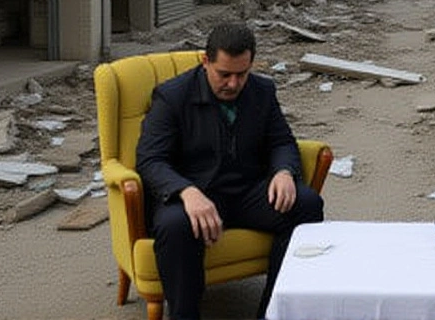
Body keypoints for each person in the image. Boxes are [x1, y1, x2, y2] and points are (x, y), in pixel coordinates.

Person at [135, 22, 323, 320]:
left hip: (246, 191)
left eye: (242, 74)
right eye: (224, 74)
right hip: (193, 194)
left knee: (307, 204)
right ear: (205, 61)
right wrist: (186, 191)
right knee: (175, 226)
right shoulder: (172, 96)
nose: (233, 84)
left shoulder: (262, 90)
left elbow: (282, 142)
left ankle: (272, 313)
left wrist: (284, 171)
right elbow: (150, 160)